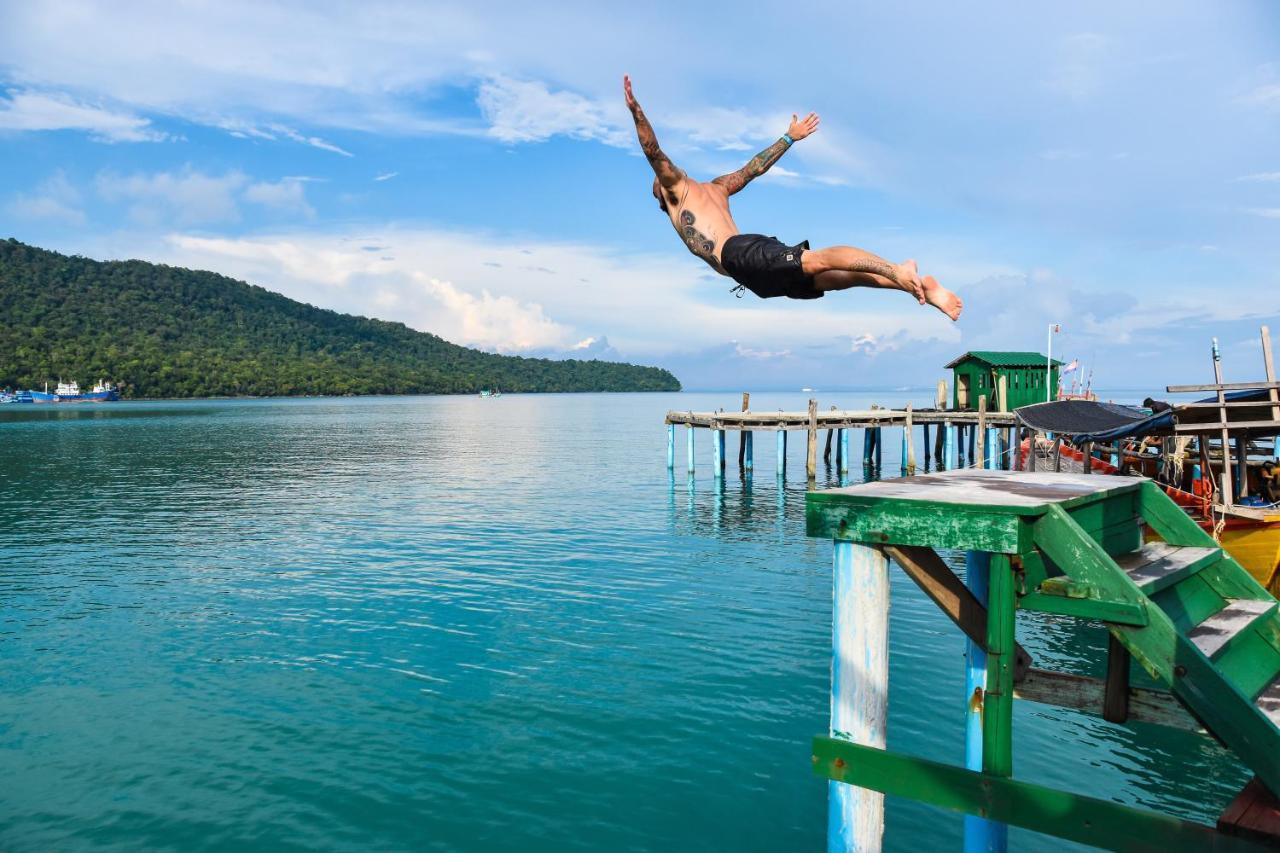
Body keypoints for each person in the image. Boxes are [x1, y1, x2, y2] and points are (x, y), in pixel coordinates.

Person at [623, 75, 962, 320]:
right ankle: (912, 285)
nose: (656, 189)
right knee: (835, 279)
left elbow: (653, 150)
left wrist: (637, 112)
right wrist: (788, 137)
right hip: (750, 275)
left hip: (740, 254)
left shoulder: (677, 190)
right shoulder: (717, 188)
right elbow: (754, 168)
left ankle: (896, 270)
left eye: (657, 186)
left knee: (817, 260)